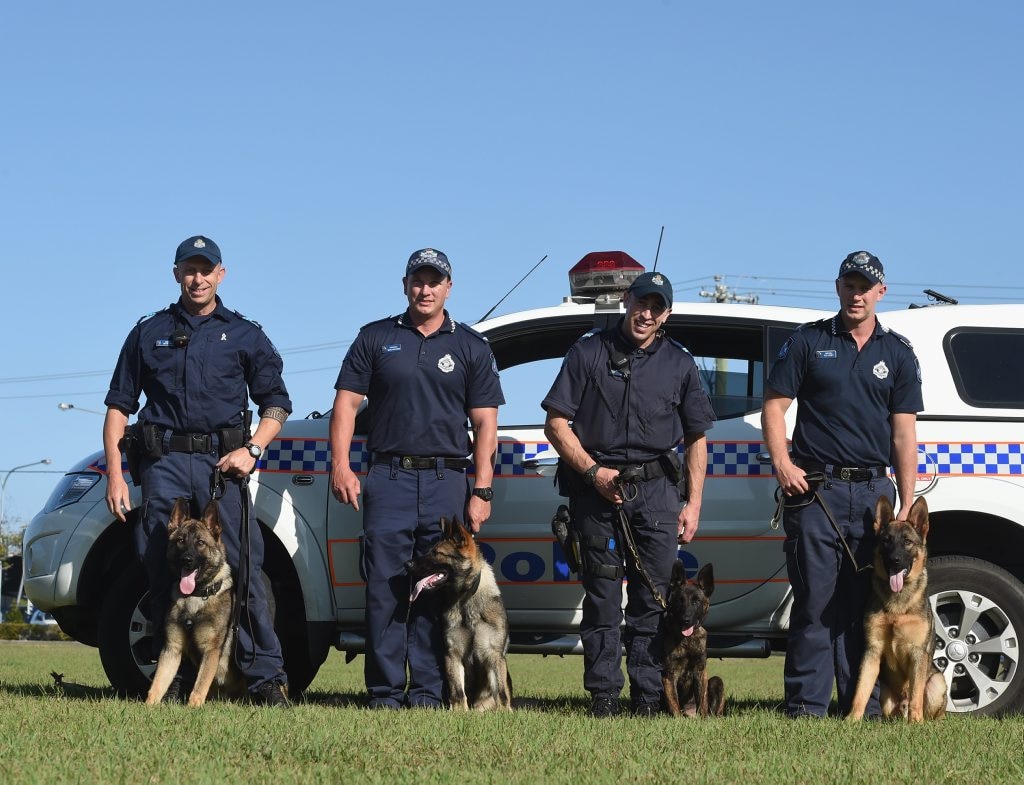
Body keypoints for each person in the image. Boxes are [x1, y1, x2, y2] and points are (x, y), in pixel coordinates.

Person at [103, 235, 292, 707]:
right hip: (164, 464)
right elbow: (118, 407)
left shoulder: (245, 333)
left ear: (221, 275)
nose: (198, 277)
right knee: (161, 570)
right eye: (189, 268)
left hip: (221, 468)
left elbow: (277, 402)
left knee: (244, 572)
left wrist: (252, 449)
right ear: (176, 274)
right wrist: (114, 473)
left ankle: (265, 678)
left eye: (206, 269)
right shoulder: (148, 331)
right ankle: (180, 680)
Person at [330, 248, 505, 709]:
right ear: (405, 284)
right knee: (385, 587)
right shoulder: (376, 337)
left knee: (440, 592)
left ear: (449, 287)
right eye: (417, 280)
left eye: (434, 281)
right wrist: (342, 465)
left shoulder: (470, 345)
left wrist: (482, 489)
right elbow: (346, 405)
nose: (425, 289)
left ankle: (429, 692)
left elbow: (486, 424)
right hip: (388, 477)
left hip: (448, 479)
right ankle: (385, 694)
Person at [541, 270, 716, 717]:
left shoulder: (679, 363)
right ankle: (603, 696)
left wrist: (693, 503)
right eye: (641, 302)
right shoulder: (587, 352)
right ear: (626, 300)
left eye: (657, 307)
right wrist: (593, 471)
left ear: (667, 314)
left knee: (652, 601)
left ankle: (647, 696)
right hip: (596, 493)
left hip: (657, 494)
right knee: (602, 599)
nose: (647, 313)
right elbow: (556, 424)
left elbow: (697, 437)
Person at [761, 250, 923, 719]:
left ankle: (863, 709)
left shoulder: (898, 352)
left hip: (875, 495)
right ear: (838, 288)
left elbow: (903, 431)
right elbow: (775, 407)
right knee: (814, 602)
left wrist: (907, 501)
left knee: (866, 605)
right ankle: (806, 709)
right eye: (849, 284)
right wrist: (783, 464)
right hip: (816, 491)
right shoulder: (809, 341)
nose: (857, 294)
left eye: (865, 286)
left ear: (881, 292)